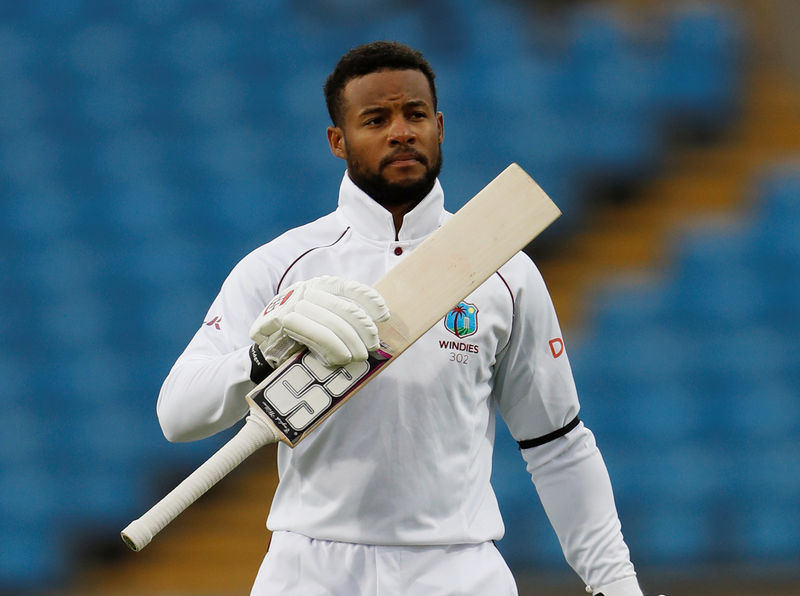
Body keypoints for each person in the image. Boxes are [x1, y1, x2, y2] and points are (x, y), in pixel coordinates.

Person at [156, 41, 650, 596]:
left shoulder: (506, 270)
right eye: (376, 119)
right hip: (310, 571)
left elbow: (557, 444)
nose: (401, 131)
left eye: (415, 114)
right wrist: (260, 357)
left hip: (459, 570)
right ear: (336, 142)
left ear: (439, 125)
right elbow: (177, 415)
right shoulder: (281, 267)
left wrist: (616, 585)